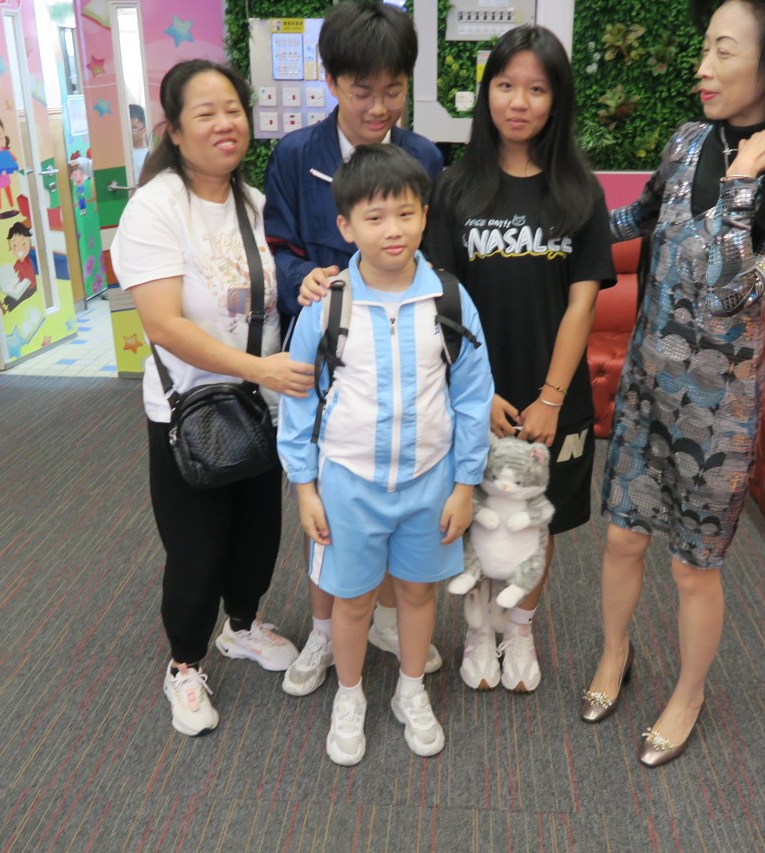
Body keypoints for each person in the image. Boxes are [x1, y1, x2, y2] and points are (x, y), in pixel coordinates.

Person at [583, 0, 765, 767]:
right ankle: (616, 652)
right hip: (644, 387)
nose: (704, 67)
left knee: (693, 568)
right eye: (705, 49)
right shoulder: (687, 140)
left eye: (724, 50)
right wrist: (560, 226)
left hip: (717, 412)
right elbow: (638, 218)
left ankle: (689, 692)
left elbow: (733, 293)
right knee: (622, 535)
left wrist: (741, 189)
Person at [111, 60, 313, 737]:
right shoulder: (156, 207)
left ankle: (243, 627)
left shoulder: (254, 202)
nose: (225, 123)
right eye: (206, 113)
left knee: (258, 535)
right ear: (173, 129)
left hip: (259, 406)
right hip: (190, 411)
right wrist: (259, 368)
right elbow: (164, 324)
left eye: (233, 109)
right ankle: (184, 664)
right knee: (196, 549)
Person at [277, 145, 493, 765]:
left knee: (418, 595)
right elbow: (299, 400)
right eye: (374, 217)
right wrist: (305, 487)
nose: (392, 230)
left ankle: (410, 689)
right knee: (352, 601)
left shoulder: (450, 299)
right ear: (346, 227)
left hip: (429, 480)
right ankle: (349, 697)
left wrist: (464, 485)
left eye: (405, 213)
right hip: (348, 481)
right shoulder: (328, 304)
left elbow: (473, 397)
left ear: (425, 216)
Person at [420, 24, 616, 693]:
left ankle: (521, 629)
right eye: (506, 85)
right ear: (488, 93)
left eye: (536, 89)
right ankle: (480, 631)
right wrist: (477, 393)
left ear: (556, 100)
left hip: (553, 395)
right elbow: (441, 302)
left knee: (538, 517)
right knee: (475, 514)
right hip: (473, 389)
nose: (519, 101)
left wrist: (552, 398)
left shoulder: (579, 192)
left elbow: (582, 305)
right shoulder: (454, 188)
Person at [263, 0, 446, 699]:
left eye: (392, 90)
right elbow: (278, 247)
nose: (378, 107)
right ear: (331, 81)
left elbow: (430, 259)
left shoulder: (424, 157)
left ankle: (389, 620)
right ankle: (323, 629)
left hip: (399, 353)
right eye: (361, 90)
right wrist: (301, 278)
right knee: (329, 509)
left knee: (400, 490)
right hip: (327, 357)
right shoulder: (295, 156)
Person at [129, 104, 149, 179]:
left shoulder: (149, 153)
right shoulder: (122, 155)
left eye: (134, 128)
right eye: (127, 127)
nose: (130, 132)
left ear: (144, 129)